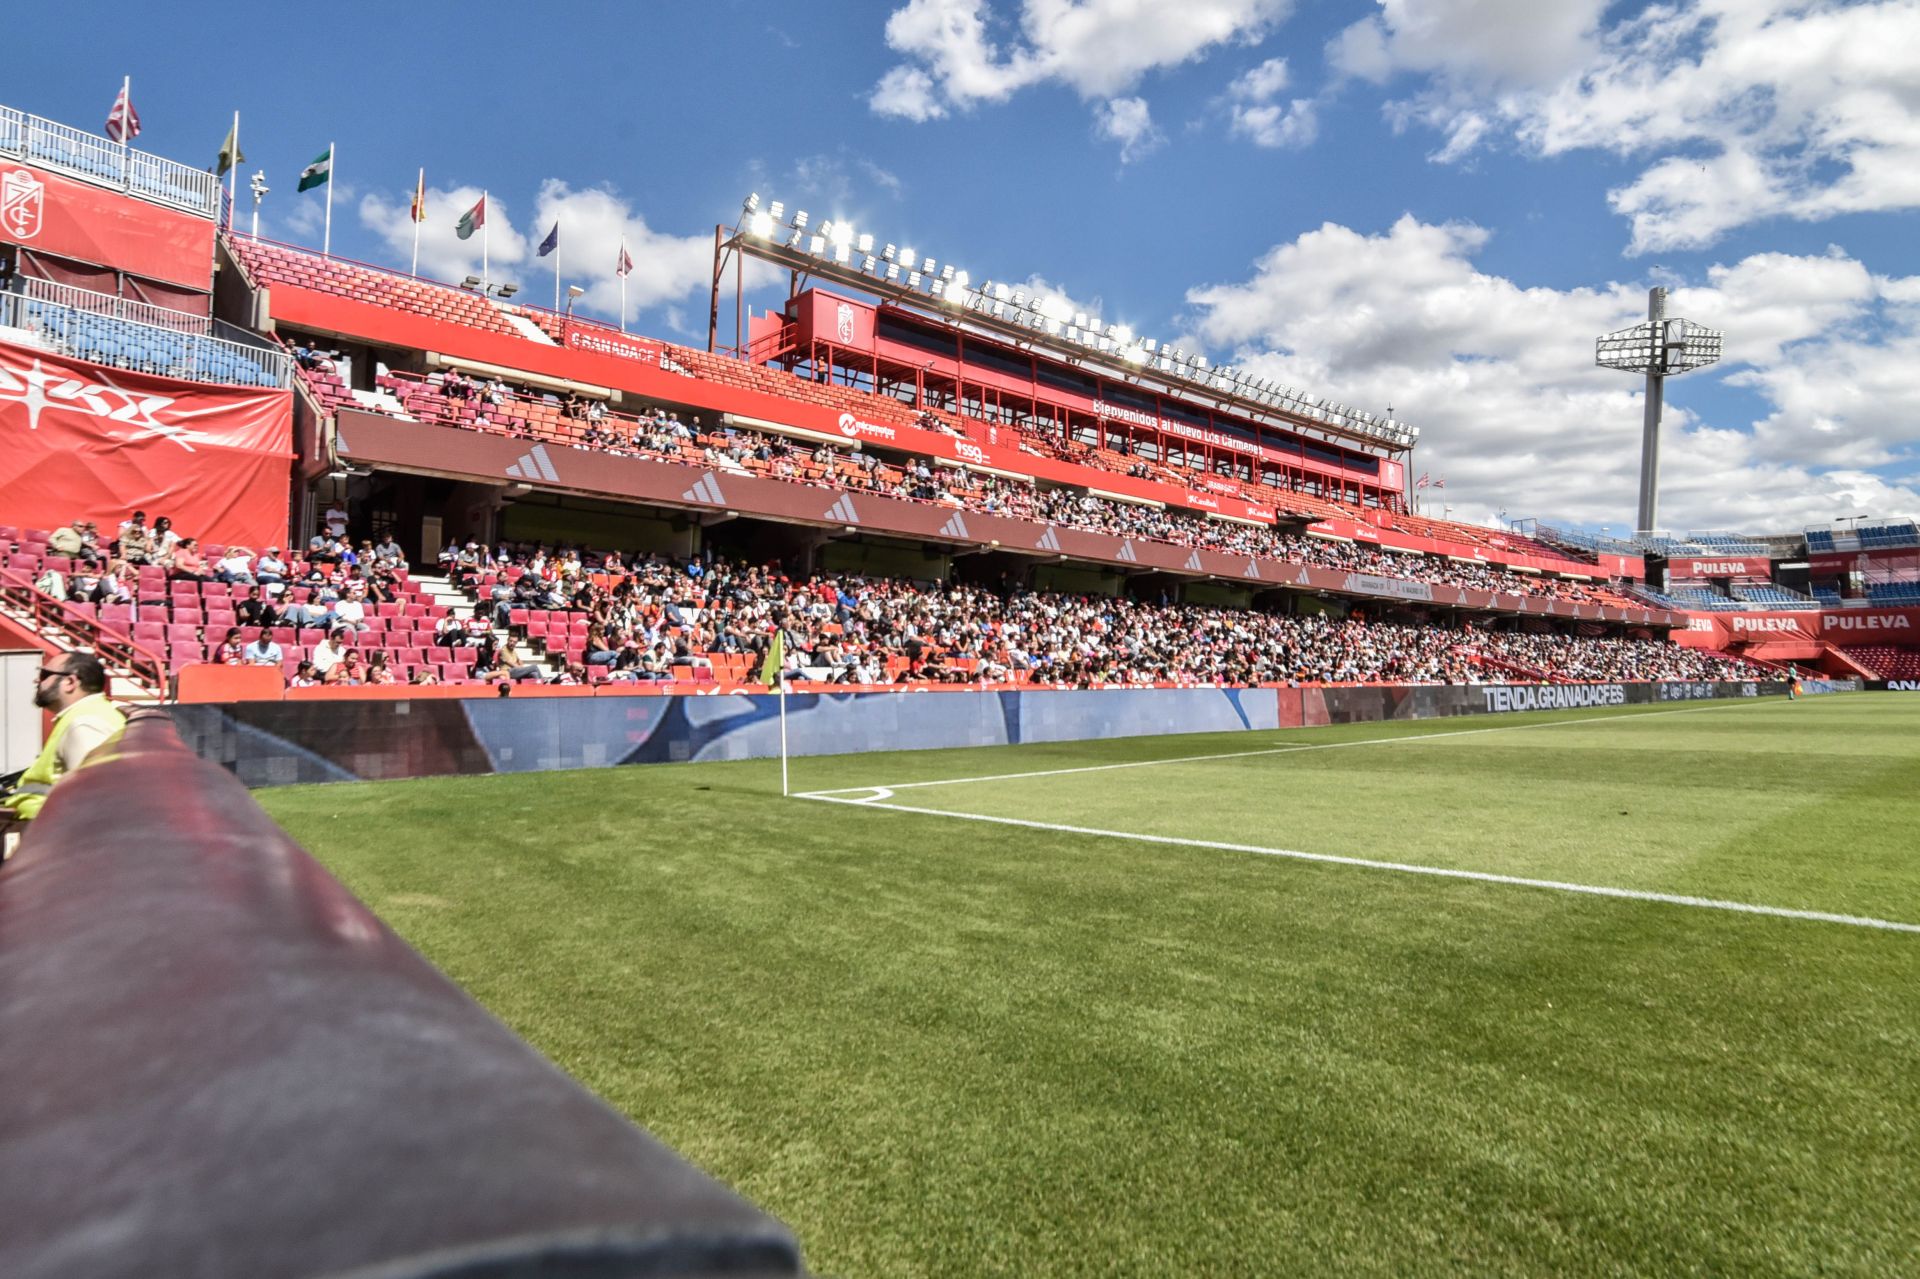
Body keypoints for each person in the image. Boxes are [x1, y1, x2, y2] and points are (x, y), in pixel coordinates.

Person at [1, 652, 127, 835]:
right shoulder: (85, 715)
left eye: (44, 675)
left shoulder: (85, 724)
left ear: (70, 683)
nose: (37, 681)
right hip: (37, 828)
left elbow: (94, 803)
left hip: (42, 836)